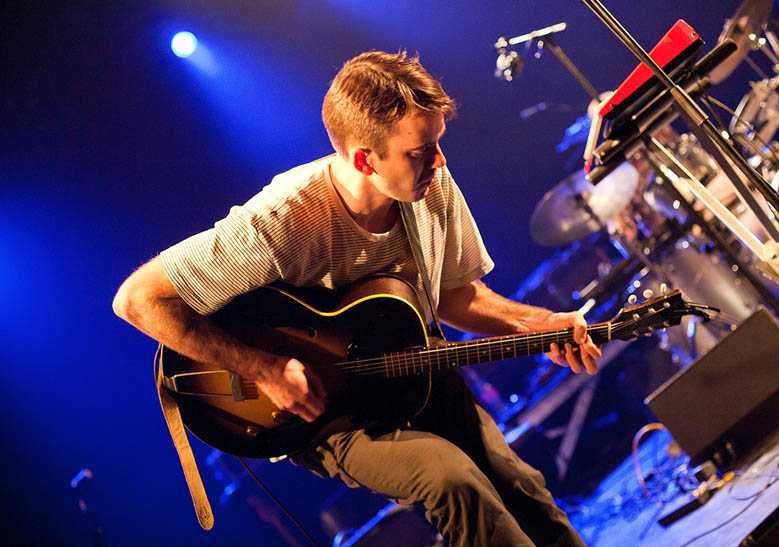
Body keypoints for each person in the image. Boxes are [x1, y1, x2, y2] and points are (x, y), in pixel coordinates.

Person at [113, 50, 601, 546]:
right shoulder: (282, 220)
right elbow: (137, 300)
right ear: (365, 159)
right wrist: (264, 369)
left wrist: (537, 323)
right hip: (326, 411)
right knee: (452, 480)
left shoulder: (429, 185)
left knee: (521, 488)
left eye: (437, 143)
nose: (440, 160)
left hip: (418, 373)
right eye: (420, 151)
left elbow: (453, 296)